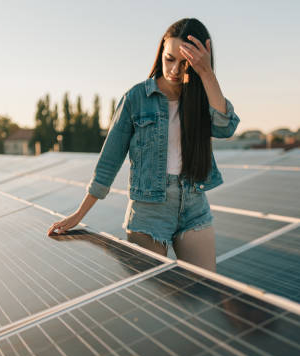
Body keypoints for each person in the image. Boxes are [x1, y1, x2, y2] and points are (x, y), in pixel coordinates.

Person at [47, 18, 239, 272]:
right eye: (169, 58)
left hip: (194, 207)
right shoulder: (136, 98)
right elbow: (109, 162)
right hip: (148, 211)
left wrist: (206, 74)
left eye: (185, 63)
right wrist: (79, 214)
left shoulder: (203, 97)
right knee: (151, 301)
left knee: (204, 296)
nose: (174, 70)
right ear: (161, 53)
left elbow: (226, 127)